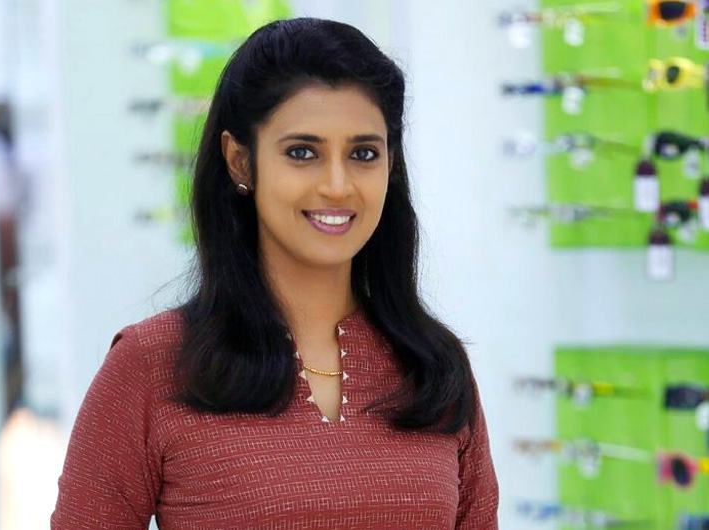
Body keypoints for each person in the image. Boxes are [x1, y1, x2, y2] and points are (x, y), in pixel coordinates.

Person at [51, 17, 499, 529]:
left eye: (363, 154)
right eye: (302, 153)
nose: (337, 185)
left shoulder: (434, 367)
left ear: (390, 165)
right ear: (240, 162)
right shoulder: (152, 365)